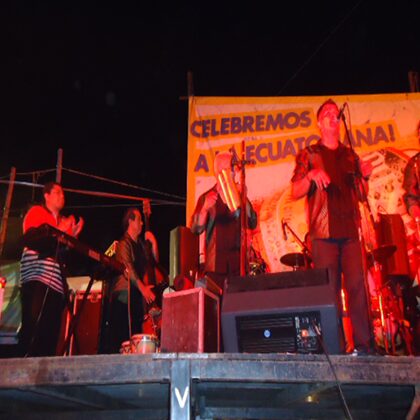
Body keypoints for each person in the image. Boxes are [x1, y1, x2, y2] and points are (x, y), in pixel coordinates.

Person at [291, 99, 374, 355]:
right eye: (326, 112)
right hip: (323, 234)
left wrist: (365, 176)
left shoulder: (350, 155)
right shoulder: (310, 153)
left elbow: (362, 194)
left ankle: (365, 347)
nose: (332, 115)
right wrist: (311, 175)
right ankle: (335, 349)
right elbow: (295, 191)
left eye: (335, 112)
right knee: (330, 292)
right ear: (319, 123)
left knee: (358, 288)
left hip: (350, 232)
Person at [19, 182, 84, 357]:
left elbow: (63, 254)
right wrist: (61, 231)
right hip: (37, 279)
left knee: (50, 333)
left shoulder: (63, 221)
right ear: (46, 196)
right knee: (33, 328)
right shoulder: (37, 212)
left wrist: (73, 237)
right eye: (57, 192)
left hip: (56, 285)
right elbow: (33, 239)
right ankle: (24, 366)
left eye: (63, 193)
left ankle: (45, 369)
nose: (62, 196)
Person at [190, 151, 257, 278]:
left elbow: (252, 222)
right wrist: (204, 209)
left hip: (238, 265)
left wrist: (244, 197)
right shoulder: (207, 197)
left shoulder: (239, 196)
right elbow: (195, 229)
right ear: (221, 171)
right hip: (216, 266)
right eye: (231, 167)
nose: (235, 172)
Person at [107, 207, 157, 353]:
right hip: (124, 296)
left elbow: (153, 262)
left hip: (136, 297)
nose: (142, 223)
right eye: (139, 220)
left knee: (135, 335)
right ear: (130, 221)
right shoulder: (124, 243)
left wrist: (154, 243)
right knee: (123, 338)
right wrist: (144, 289)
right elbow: (129, 269)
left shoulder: (140, 245)